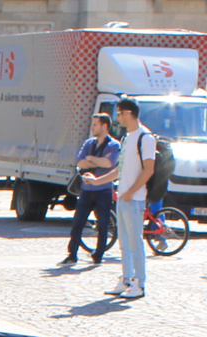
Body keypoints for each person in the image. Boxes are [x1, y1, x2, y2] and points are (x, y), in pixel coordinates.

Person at [104, 98, 156, 300]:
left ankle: (139, 283)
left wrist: (131, 192)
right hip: (124, 197)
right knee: (124, 242)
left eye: (118, 113)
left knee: (135, 242)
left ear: (127, 113)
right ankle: (126, 279)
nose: (117, 118)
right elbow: (121, 169)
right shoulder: (127, 138)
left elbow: (149, 169)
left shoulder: (146, 137)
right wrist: (99, 181)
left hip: (134, 199)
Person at [61, 113, 118, 266]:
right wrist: (97, 162)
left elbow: (108, 163)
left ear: (104, 126)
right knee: (77, 223)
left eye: (95, 124)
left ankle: (98, 256)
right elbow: (80, 162)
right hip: (86, 190)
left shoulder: (114, 145)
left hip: (103, 190)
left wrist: (91, 159)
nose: (92, 127)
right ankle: (72, 254)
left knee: (103, 225)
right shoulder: (89, 143)